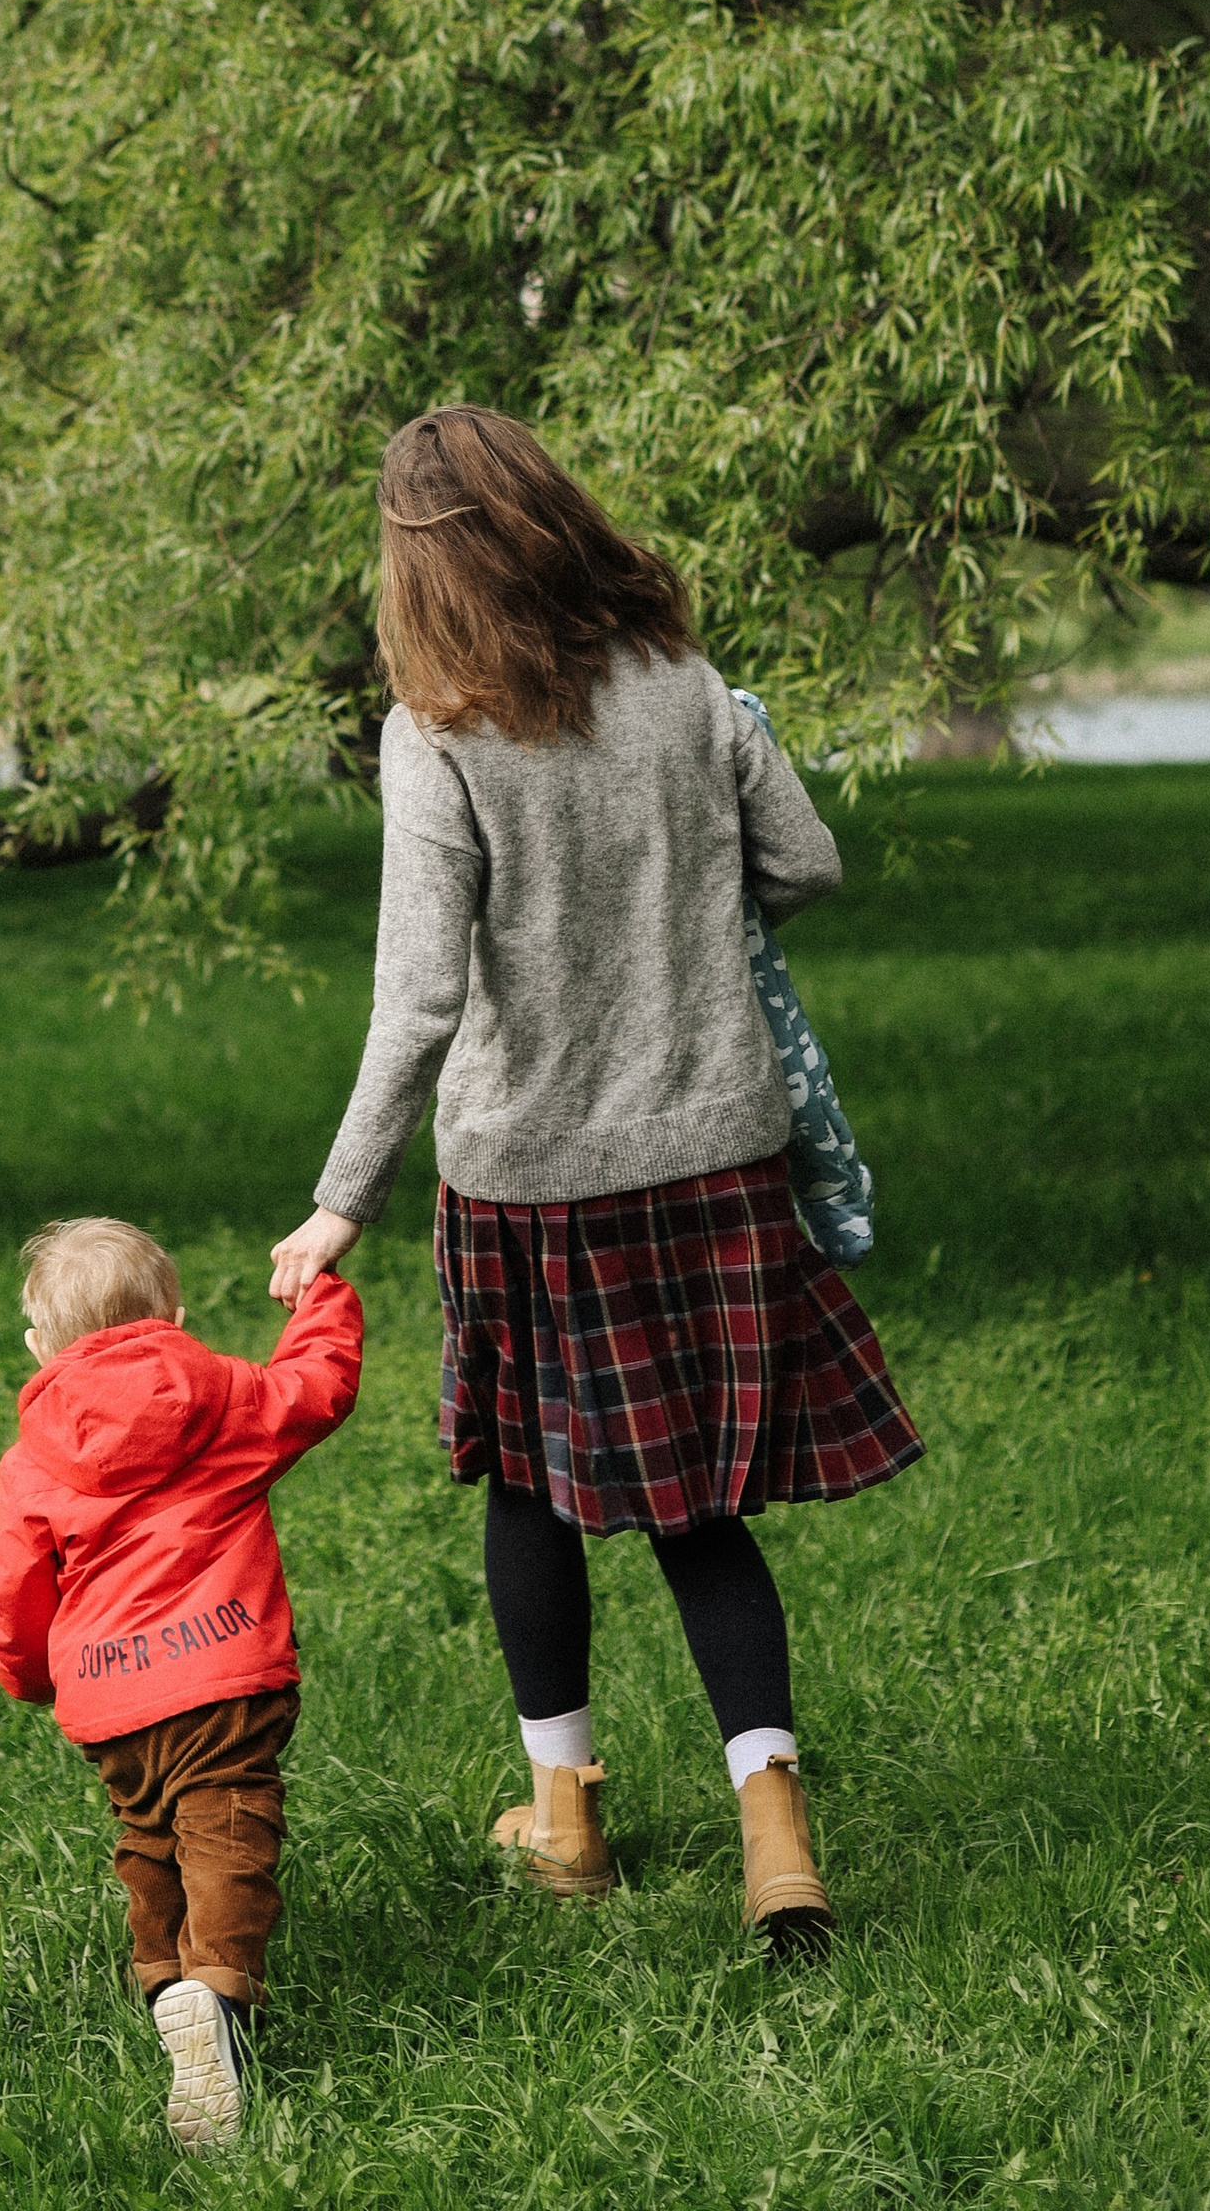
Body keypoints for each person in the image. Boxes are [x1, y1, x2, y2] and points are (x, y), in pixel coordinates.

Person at [268, 407, 921, 1952]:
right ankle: (779, 1840)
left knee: (527, 1490)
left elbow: (421, 996)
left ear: (420, 571)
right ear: (557, 518)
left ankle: (566, 1823)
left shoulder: (437, 732)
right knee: (700, 1507)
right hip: (715, 1157)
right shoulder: (688, 690)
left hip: (533, 1184)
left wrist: (340, 1197)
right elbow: (809, 865)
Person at [0, 1212, 363, 2151]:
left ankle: (162, 1979)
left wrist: (27, 1676)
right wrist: (322, 1300)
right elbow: (314, 1389)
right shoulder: (222, 1394)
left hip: (108, 1697)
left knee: (148, 1835)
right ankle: (220, 2000)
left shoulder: (33, 1459)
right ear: (175, 1313)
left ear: (40, 1346)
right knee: (228, 1827)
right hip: (224, 1670)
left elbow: (17, 1587)